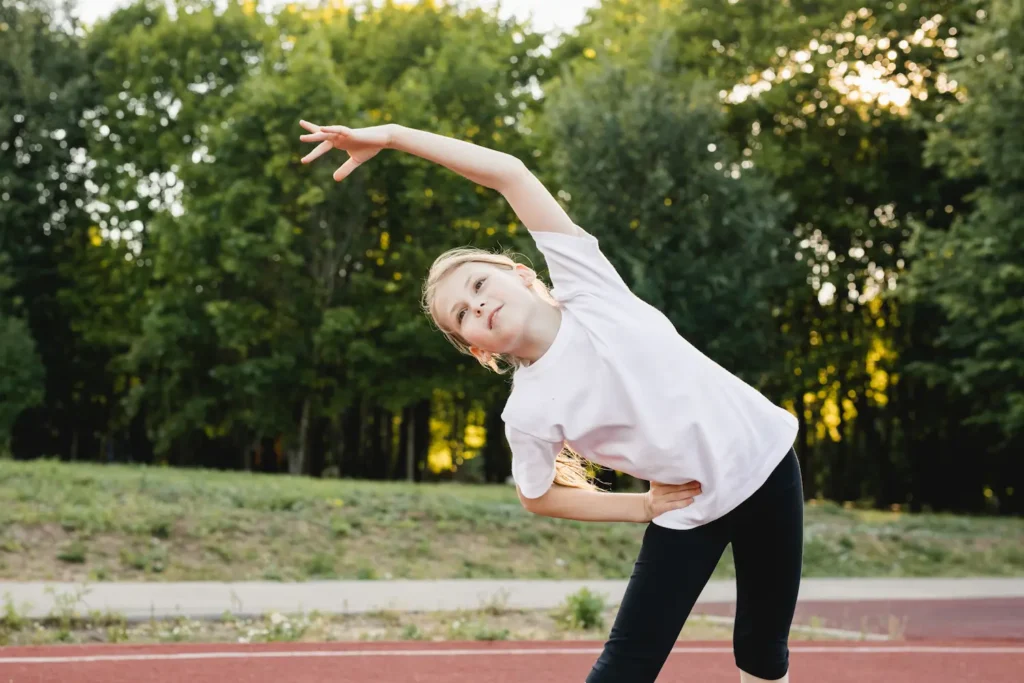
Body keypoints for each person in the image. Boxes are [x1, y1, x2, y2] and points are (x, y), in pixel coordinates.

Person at [298, 119, 804, 683]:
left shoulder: (589, 287)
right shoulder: (528, 411)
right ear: (477, 350)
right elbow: (537, 496)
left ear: (521, 275)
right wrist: (641, 507)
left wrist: (392, 136)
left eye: (479, 286)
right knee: (624, 668)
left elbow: (509, 174)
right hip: (689, 508)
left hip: (766, 465)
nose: (477, 306)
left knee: (760, 650)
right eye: (461, 316)